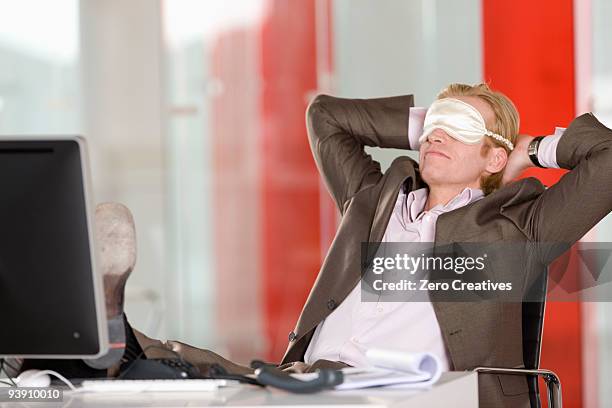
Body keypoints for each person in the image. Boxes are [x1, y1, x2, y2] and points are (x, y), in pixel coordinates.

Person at [15, 83, 612, 408]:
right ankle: (94, 334)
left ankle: (99, 345)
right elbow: (325, 116)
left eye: (461, 130)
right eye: (435, 122)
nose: (437, 133)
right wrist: (427, 123)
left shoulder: (520, 225)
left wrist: (533, 151)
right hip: (307, 381)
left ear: (491, 157)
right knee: (179, 368)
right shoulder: (374, 198)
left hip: (421, 395)